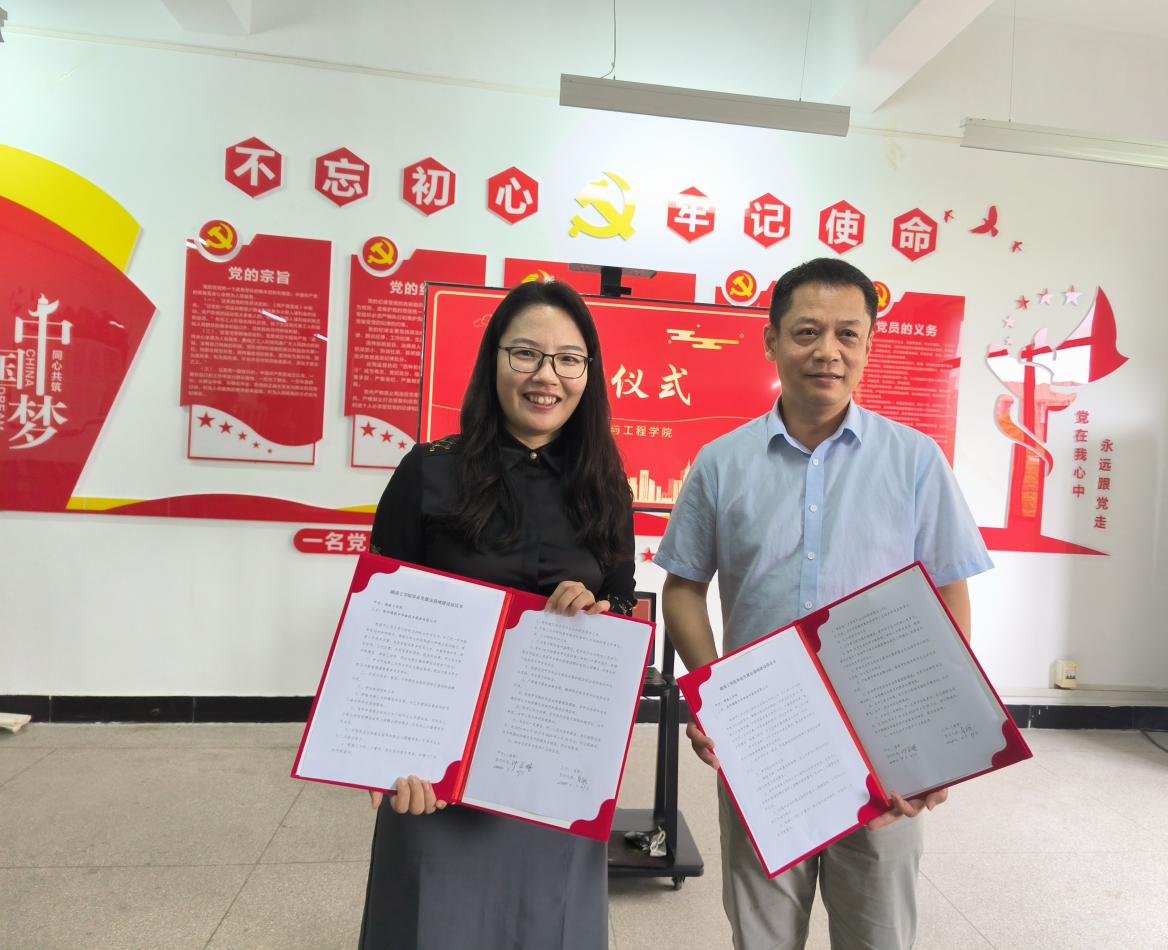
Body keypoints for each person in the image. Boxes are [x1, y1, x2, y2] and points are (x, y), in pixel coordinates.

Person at [654, 257, 993, 950]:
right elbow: (683, 586)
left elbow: (948, 589)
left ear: (868, 344)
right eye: (807, 331)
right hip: (761, 734)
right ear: (771, 340)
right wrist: (712, 693)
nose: (827, 351)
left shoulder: (914, 460)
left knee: (877, 932)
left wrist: (939, 737)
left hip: (884, 737)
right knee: (762, 934)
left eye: (847, 334)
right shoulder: (721, 463)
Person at [359, 279, 636, 950]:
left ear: (588, 374)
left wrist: (598, 612)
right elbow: (381, 623)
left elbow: (624, 600)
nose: (547, 376)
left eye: (568, 359)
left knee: (548, 921)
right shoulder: (429, 470)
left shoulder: (603, 484)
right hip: (439, 767)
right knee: (434, 923)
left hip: (554, 761)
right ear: (493, 361)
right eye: (526, 354)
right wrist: (384, 751)